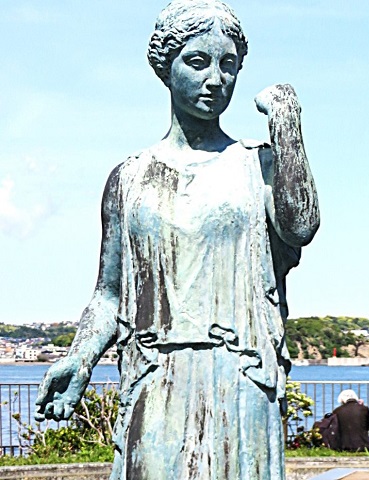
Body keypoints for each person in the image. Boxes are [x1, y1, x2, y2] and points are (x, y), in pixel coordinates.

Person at [33, 1, 319, 479]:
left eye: (228, 65)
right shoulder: (130, 178)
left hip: (241, 375)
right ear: (166, 68)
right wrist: (79, 359)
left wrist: (287, 124)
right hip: (155, 376)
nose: (216, 79)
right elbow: (108, 295)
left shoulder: (259, 164)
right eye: (198, 62)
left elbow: (300, 226)